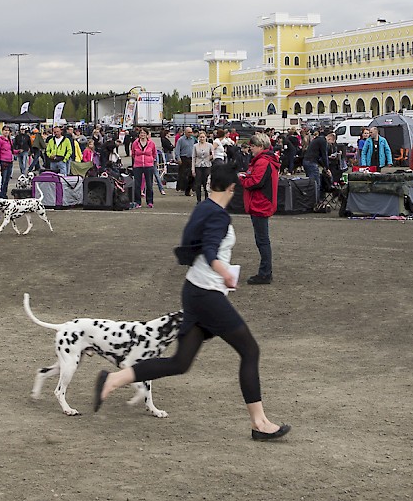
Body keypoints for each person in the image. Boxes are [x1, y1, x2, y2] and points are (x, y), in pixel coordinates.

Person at [93, 163, 290, 440]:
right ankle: (259, 423)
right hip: (208, 295)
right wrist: (224, 272)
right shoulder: (219, 216)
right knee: (250, 351)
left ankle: (114, 379)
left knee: (180, 362)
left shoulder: (201, 208)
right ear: (232, 188)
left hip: (194, 290)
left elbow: (189, 248)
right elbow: (210, 249)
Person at [240, 132, 278, 285]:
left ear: (260, 146)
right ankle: (265, 271)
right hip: (261, 203)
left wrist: (243, 179)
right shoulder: (265, 161)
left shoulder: (262, 162)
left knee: (262, 240)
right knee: (262, 239)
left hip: (260, 203)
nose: (251, 149)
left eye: (253, 147)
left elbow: (256, 182)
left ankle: (265, 273)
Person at [130, 128, 159, 209]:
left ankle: (150, 201)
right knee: (137, 185)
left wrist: (150, 161)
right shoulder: (135, 143)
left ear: (147, 134)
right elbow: (133, 153)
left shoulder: (151, 143)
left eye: (144, 133)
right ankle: (137, 202)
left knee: (149, 184)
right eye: (141, 133)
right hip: (138, 166)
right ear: (139, 135)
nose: (142, 135)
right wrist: (137, 160)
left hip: (148, 165)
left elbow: (154, 154)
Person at [303, 128, 333, 198]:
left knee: (310, 183)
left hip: (306, 161)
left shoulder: (317, 140)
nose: (330, 145)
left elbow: (319, 157)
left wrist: (324, 167)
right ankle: (316, 201)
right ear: (329, 139)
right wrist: (327, 168)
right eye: (330, 143)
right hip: (312, 163)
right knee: (316, 184)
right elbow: (324, 155)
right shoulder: (324, 141)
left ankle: (309, 199)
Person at [174, 126, 197, 196]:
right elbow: (177, 150)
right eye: (189, 132)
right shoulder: (181, 140)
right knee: (182, 174)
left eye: (191, 132)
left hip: (191, 158)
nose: (190, 133)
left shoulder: (193, 139)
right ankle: (181, 187)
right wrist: (178, 159)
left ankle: (190, 188)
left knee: (191, 174)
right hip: (183, 158)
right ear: (185, 132)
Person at [192, 130, 213, 202]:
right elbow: (193, 157)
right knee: (198, 184)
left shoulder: (210, 145)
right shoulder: (195, 146)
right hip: (198, 166)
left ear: (206, 137)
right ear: (198, 138)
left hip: (207, 166)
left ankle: (207, 200)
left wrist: (210, 157)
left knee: (206, 184)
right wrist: (193, 169)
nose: (202, 138)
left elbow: (213, 154)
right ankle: (198, 200)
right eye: (200, 137)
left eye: (203, 137)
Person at [0, 128, 14, 198]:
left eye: (8, 130)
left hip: (10, 161)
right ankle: (0, 195)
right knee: (2, 179)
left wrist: (18, 151)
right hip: (3, 162)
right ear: (2, 131)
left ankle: (4, 194)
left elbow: (11, 150)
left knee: (7, 180)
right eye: (5, 130)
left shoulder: (9, 140)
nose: (6, 132)